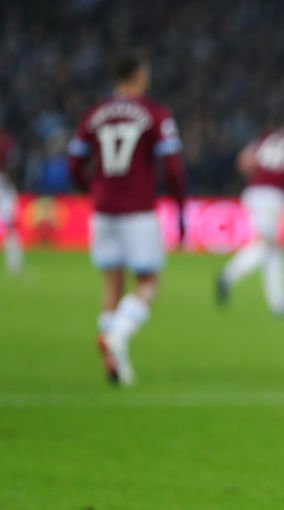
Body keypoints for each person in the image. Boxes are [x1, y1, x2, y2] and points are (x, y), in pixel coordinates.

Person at [68, 52, 186, 385]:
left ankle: (115, 362)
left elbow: (74, 163)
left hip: (102, 210)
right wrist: (178, 210)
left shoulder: (93, 114)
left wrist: (91, 190)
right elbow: (174, 168)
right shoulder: (154, 114)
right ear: (138, 76)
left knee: (111, 285)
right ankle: (116, 337)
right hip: (138, 210)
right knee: (148, 283)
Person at [216, 116, 284, 317]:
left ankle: (278, 304)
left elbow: (244, 161)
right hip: (274, 197)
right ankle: (228, 276)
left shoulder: (270, 136)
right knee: (270, 247)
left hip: (253, 192)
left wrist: (260, 176)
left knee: (272, 249)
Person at [0, 128, 23, 275]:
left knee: (11, 228)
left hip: (4, 184)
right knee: (11, 227)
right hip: (4, 185)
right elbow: (10, 165)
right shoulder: (5, 142)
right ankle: (14, 266)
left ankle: (14, 265)